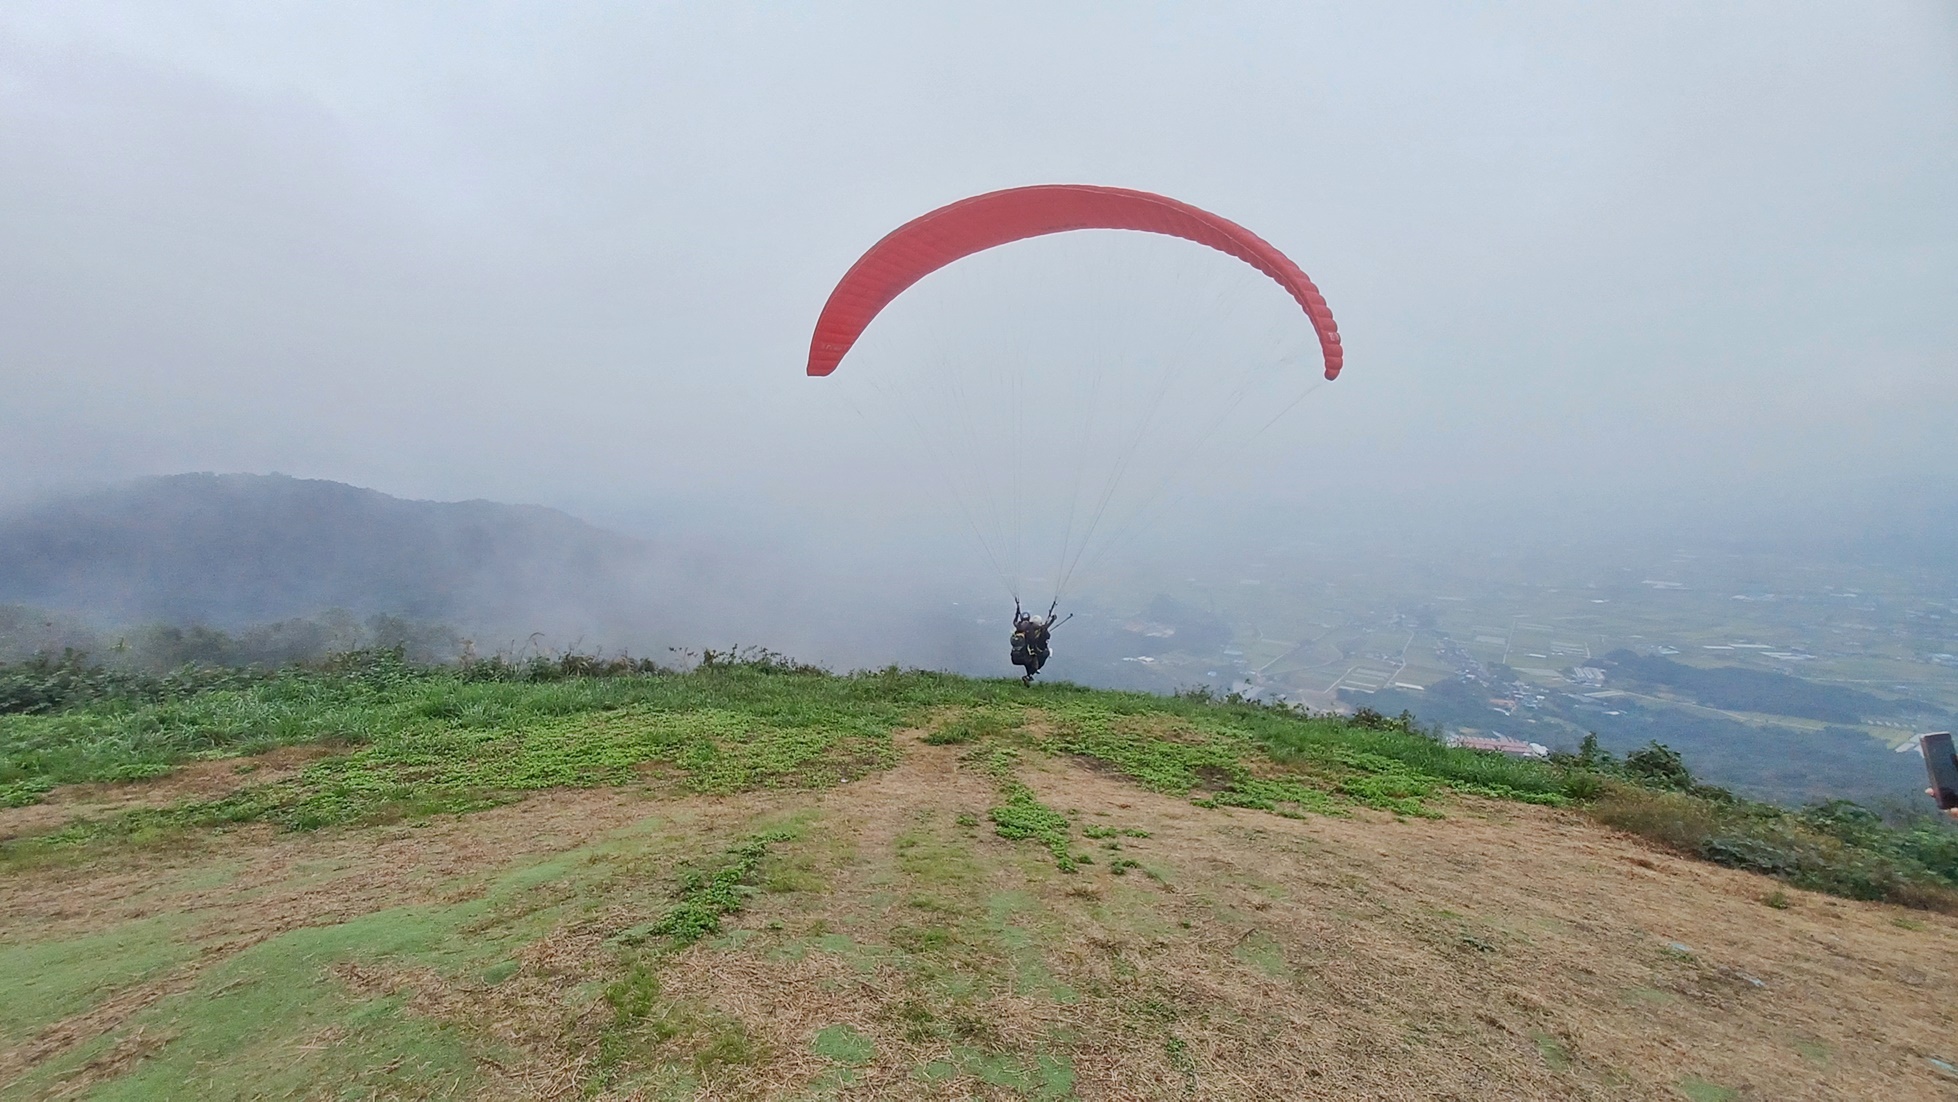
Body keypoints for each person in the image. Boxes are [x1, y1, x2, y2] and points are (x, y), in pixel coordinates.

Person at [1010, 599, 1069, 686]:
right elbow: (1045, 627)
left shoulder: (1023, 629)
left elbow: (1015, 622)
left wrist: (1017, 611)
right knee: (1038, 660)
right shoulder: (1037, 632)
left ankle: (1028, 677)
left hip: (1016, 656)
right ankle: (1029, 675)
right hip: (1028, 655)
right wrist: (1052, 619)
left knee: (1030, 662)